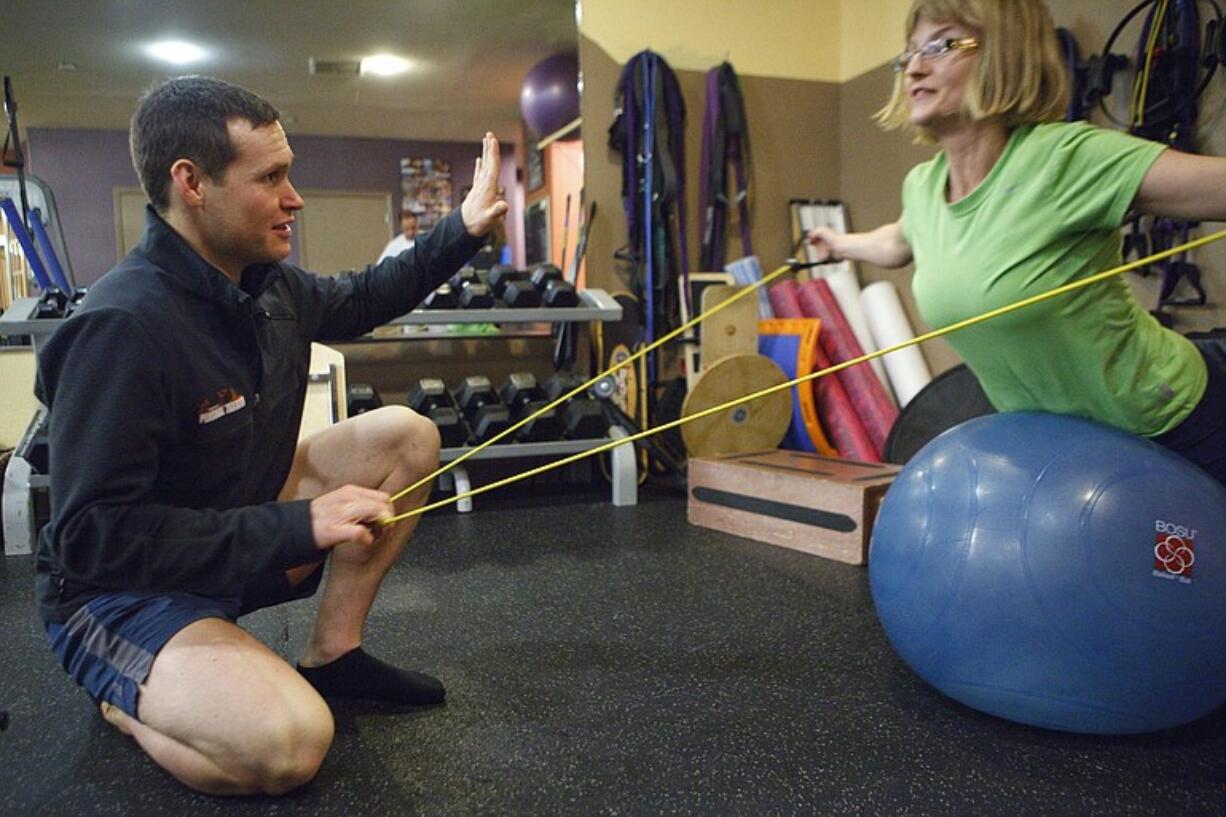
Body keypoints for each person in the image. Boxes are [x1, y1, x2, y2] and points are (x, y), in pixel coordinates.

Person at [34, 75, 508, 796]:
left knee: (406, 435)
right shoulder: (120, 328)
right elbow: (92, 537)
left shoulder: (267, 285)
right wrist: (296, 526)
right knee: (288, 745)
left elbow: (365, 296)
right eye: (272, 177)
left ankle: (333, 653)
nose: (296, 198)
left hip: (223, 529)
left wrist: (463, 231)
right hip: (120, 595)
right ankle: (124, 699)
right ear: (191, 183)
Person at [808, 0, 1226, 485]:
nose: (915, 68)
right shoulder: (923, 187)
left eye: (941, 45)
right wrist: (838, 243)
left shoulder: (1065, 159)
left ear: (1003, 53)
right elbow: (898, 243)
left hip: (1170, 424)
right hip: (1063, 449)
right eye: (908, 54)